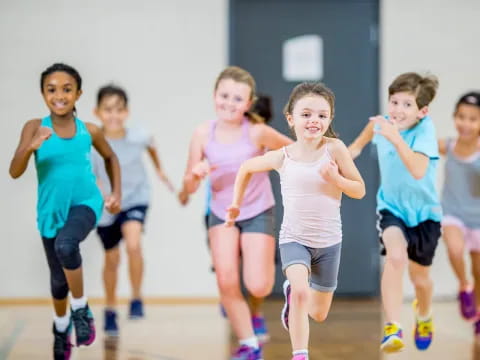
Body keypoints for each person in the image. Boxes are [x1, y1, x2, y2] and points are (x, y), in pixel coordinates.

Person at [226, 81, 365, 360]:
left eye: (322, 115)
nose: (314, 120)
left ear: (329, 119)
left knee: (319, 313)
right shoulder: (283, 156)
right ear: (291, 119)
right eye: (306, 114)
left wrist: (336, 179)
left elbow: (359, 190)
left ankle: (292, 298)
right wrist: (236, 204)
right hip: (294, 239)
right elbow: (246, 168)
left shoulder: (335, 149)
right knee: (302, 291)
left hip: (329, 243)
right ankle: (300, 354)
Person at [8, 63, 121, 360]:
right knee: (59, 282)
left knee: (67, 246)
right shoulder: (34, 126)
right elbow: (14, 171)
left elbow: (111, 158)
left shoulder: (89, 130)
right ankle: (61, 328)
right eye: (52, 89)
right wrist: (30, 147)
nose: (59, 95)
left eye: (67, 89)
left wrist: (115, 193)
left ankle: (81, 310)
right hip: (50, 212)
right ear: (43, 93)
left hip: (85, 202)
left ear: (78, 94)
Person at [179, 66, 292, 359]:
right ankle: (249, 344)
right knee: (226, 280)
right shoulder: (202, 133)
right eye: (224, 95)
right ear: (214, 95)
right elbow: (189, 186)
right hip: (221, 213)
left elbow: (294, 152)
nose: (229, 103)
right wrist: (196, 173)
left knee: (258, 284)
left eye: (237, 98)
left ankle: (271, 301)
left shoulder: (257, 132)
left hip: (257, 210)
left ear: (249, 102)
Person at [348, 72, 441, 353]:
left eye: (407, 104)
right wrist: (352, 150)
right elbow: (368, 132)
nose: (397, 110)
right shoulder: (382, 125)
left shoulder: (425, 131)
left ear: (422, 111)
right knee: (395, 257)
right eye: (394, 102)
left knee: (420, 280)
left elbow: (417, 170)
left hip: (425, 215)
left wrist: (395, 138)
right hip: (392, 209)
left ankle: (423, 316)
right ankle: (392, 327)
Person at [91, 84, 174, 336]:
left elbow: (151, 145)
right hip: (106, 204)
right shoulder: (92, 140)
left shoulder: (138, 135)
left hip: (136, 197)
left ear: (127, 112)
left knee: (134, 243)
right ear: (97, 112)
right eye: (108, 110)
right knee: (112, 259)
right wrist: (105, 197)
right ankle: (110, 308)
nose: (114, 115)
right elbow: (91, 174)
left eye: (119, 109)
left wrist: (159, 170)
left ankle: (137, 297)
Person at [438, 92, 480, 335]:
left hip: (478, 219)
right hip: (453, 213)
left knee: (479, 271)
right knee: (454, 249)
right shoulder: (448, 146)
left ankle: (477, 311)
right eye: (461, 117)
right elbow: (417, 146)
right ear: (454, 117)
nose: (465, 123)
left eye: (473, 119)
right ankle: (464, 287)